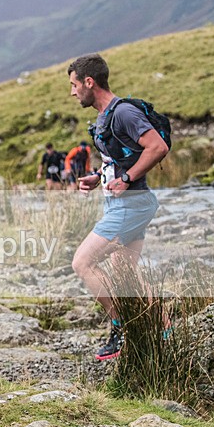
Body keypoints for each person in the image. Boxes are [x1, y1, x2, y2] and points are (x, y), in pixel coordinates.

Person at [67, 53, 169, 361]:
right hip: (123, 203)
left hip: (131, 203)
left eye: (74, 85)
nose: (73, 92)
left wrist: (127, 178)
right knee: (125, 270)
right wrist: (98, 177)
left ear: (90, 82)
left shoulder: (123, 112)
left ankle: (121, 325)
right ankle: (163, 329)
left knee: (82, 263)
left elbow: (157, 147)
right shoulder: (105, 115)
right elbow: (119, 156)